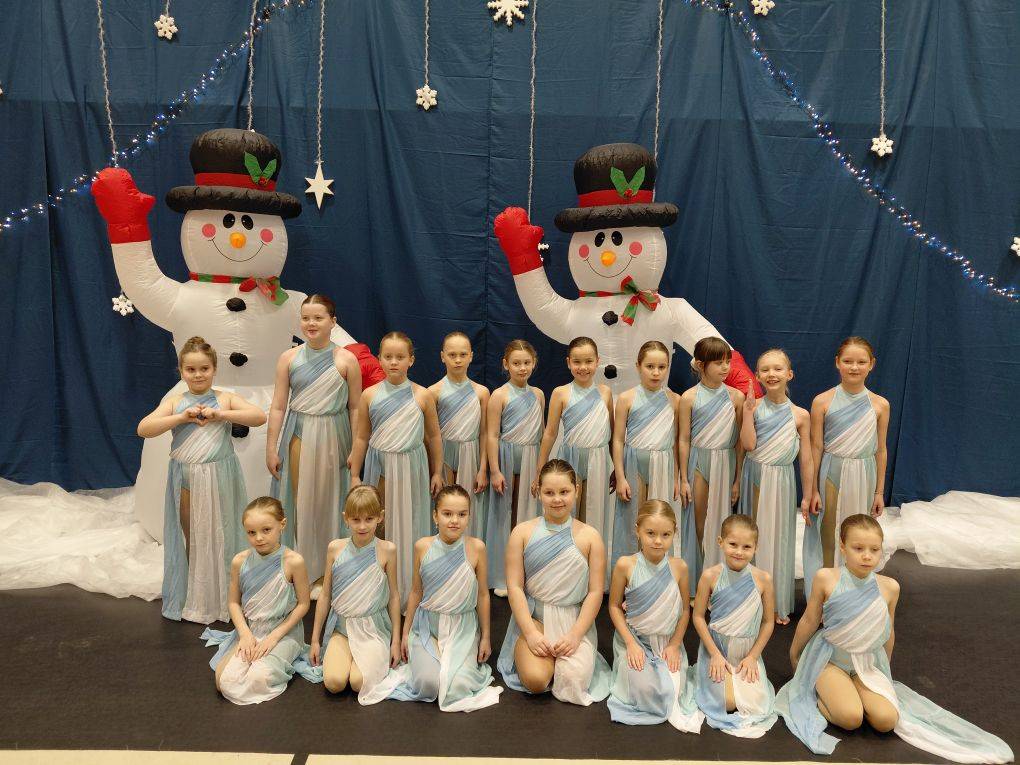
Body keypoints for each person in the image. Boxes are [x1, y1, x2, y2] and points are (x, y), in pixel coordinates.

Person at [777, 515, 1013, 763]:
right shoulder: (827, 578)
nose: (867, 556)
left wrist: (883, 671)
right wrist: (795, 653)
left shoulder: (890, 587)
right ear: (843, 547)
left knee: (887, 720)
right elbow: (810, 619)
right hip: (830, 661)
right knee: (851, 718)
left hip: (865, 663)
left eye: (874, 549)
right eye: (858, 548)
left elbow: (888, 631)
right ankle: (819, 693)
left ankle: (851, 692)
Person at [137, 336, 266, 623]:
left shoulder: (224, 398)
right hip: (187, 477)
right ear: (181, 371)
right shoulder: (175, 402)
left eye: (204, 369)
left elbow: (258, 416)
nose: (198, 375)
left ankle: (225, 594)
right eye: (191, 369)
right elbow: (144, 428)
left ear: (214, 369)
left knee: (224, 532)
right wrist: (181, 418)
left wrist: (220, 414)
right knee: (194, 534)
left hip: (220, 474)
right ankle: (197, 595)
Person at [497, 459, 611, 705]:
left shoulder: (591, 537)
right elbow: (515, 587)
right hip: (534, 619)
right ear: (538, 491)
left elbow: (595, 592)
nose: (557, 499)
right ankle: (534, 655)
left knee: (572, 680)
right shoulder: (522, 532)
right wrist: (530, 633)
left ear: (576, 491)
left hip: (573, 621)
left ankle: (565, 660)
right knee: (537, 681)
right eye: (549, 493)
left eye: (564, 492)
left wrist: (575, 635)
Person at [266, 294, 363, 583]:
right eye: (306, 318)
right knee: (300, 500)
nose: (311, 323)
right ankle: (302, 568)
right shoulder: (288, 358)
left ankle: (330, 571)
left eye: (318, 318)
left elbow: (356, 407)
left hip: (336, 434)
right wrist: (271, 447)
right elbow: (278, 406)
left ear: (333, 322)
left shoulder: (346, 360)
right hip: (300, 432)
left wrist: (356, 449)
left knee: (331, 500)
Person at [349, 331, 444, 604]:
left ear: (411, 360)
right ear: (379, 359)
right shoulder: (369, 395)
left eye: (400, 357)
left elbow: (434, 436)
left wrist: (437, 471)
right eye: (388, 356)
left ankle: (411, 585)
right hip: (380, 466)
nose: (393, 362)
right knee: (380, 521)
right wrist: (355, 474)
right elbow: (362, 437)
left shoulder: (422, 395)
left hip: (413, 467)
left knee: (413, 520)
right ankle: (379, 584)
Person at [393, 485, 503, 711]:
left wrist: (485, 637)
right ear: (435, 516)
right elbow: (416, 592)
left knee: (458, 686)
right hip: (428, 627)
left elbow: (483, 595)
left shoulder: (477, 548)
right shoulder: (422, 546)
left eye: (462, 514)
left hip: (462, 628)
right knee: (428, 684)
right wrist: (405, 633)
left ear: (469, 516)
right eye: (447, 514)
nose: (454, 520)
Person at [200, 497, 317, 705]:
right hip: (252, 630)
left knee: (258, 677)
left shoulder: (293, 561)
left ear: (282, 524)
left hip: (284, 632)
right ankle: (244, 655)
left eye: (266, 530)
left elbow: (303, 604)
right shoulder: (240, 561)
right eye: (251, 533)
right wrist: (245, 634)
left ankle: (282, 656)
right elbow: (234, 603)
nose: (259, 538)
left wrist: (274, 637)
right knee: (223, 682)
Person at [803, 337, 889, 598]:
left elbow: (881, 449)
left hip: (864, 473)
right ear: (837, 363)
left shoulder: (880, 404)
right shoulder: (822, 401)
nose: (854, 367)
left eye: (861, 362)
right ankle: (827, 593)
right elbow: (816, 447)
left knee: (859, 533)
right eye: (848, 361)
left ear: (871, 364)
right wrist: (812, 489)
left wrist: (879, 492)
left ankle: (854, 590)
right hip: (833, 471)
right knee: (829, 531)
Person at [606, 500, 703, 731]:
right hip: (635, 641)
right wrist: (630, 644)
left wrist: (675, 644)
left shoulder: (679, 567)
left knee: (673, 691)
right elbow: (614, 606)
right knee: (645, 692)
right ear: (637, 530)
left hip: (667, 643)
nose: (658, 541)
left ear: (674, 533)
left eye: (665, 534)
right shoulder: (625, 565)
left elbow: (685, 610)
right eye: (650, 533)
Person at [307, 485, 406, 703]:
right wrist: (315, 640)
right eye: (356, 520)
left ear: (380, 517)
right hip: (341, 629)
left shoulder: (387, 550)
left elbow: (394, 596)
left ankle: (365, 656)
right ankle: (346, 654)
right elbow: (325, 595)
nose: (362, 526)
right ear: (346, 518)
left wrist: (395, 641)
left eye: (369, 519)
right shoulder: (335, 548)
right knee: (334, 683)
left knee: (358, 682)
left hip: (373, 629)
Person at [737, 349, 813, 624]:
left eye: (778, 369)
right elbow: (747, 445)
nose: (772, 374)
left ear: (789, 374)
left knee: (779, 537)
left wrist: (807, 495)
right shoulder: (753, 407)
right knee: (754, 535)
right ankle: (751, 601)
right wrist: (747, 413)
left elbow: (806, 459)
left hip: (782, 480)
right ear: (757, 376)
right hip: (755, 476)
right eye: (765, 369)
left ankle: (777, 602)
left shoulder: (800, 415)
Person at [532, 337, 614, 577]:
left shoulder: (605, 392)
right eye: (577, 362)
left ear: (598, 362)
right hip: (569, 460)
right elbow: (550, 433)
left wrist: (616, 469)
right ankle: (564, 570)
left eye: (588, 361)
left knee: (594, 515)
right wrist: (540, 470)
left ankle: (593, 574)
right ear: (568, 362)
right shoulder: (561, 393)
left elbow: (610, 433)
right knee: (566, 514)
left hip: (599, 460)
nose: (583, 367)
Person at [692, 514, 778, 737]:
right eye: (733, 544)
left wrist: (753, 657)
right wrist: (714, 654)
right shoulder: (710, 576)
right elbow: (698, 617)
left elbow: (768, 622)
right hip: (717, 651)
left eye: (746, 547)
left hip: (746, 654)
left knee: (753, 705)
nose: (739, 552)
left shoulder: (763, 579)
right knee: (728, 703)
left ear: (756, 548)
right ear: (720, 542)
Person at [677, 336, 745, 596]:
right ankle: (695, 584)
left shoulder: (736, 397)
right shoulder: (689, 398)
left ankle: (720, 581)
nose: (725, 367)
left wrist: (737, 478)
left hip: (725, 462)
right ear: (700, 365)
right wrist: (683, 478)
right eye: (718, 363)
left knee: (723, 523)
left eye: (727, 362)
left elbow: (739, 443)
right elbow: (684, 439)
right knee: (698, 523)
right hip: (698, 461)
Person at [612, 341, 681, 570]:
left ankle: (658, 573)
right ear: (638, 366)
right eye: (650, 366)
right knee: (632, 520)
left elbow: (675, 443)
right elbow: (618, 440)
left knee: (659, 522)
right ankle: (628, 575)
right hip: (633, 464)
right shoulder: (626, 398)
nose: (656, 372)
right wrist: (620, 476)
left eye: (662, 367)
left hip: (663, 464)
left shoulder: (675, 400)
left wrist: (676, 477)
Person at [485, 339, 544, 595]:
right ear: (505, 364)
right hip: (507, 457)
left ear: (534, 363)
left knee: (528, 516)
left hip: (531, 455)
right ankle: (503, 576)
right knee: (506, 516)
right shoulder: (499, 395)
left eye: (526, 363)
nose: (522, 368)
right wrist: (495, 470)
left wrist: (540, 469)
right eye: (516, 363)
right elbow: (491, 435)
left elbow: (542, 433)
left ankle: (528, 575)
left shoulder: (539, 394)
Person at [428, 331, 489, 539]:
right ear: (442, 356)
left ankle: (468, 551)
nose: (457, 360)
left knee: (467, 505)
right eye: (452, 355)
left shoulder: (481, 392)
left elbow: (484, 433)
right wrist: (435, 470)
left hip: (470, 453)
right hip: (443, 453)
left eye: (463, 354)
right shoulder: (433, 392)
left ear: (471, 356)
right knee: (443, 504)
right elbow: (430, 436)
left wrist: (483, 469)